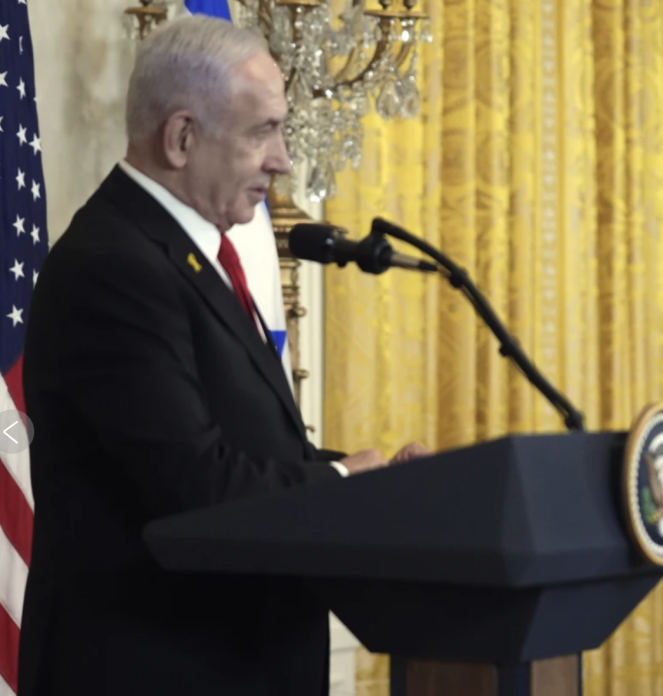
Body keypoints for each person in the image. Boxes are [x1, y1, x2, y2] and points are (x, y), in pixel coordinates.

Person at [18, 16, 427, 696]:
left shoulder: (185, 254)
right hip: (155, 669)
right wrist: (347, 485)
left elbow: (238, 448)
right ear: (181, 138)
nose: (283, 159)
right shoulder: (113, 266)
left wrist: (369, 484)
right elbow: (195, 485)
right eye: (262, 131)